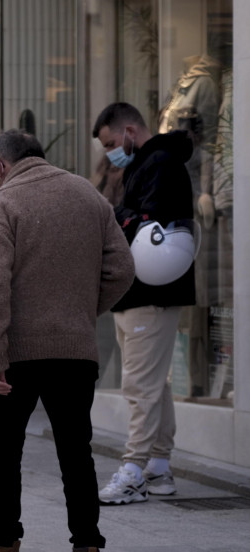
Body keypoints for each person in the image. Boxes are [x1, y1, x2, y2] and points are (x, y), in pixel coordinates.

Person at [0, 130, 134, 552]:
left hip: (17, 355)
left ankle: (3, 548)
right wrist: (79, 313)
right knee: (76, 453)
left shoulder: (6, 202)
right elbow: (122, 269)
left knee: (6, 451)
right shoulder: (88, 195)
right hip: (76, 351)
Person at [92, 103, 196, 504]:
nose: (111, 152)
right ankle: (157, 466)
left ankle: (134, 469)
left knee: (139, 385)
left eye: (112, 143)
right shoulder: (152, 163)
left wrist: (112, 213)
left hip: (149, 292)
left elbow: (147, 222)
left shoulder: (159, 164)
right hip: (143, 291)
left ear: (131, 130)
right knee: (153, 384)